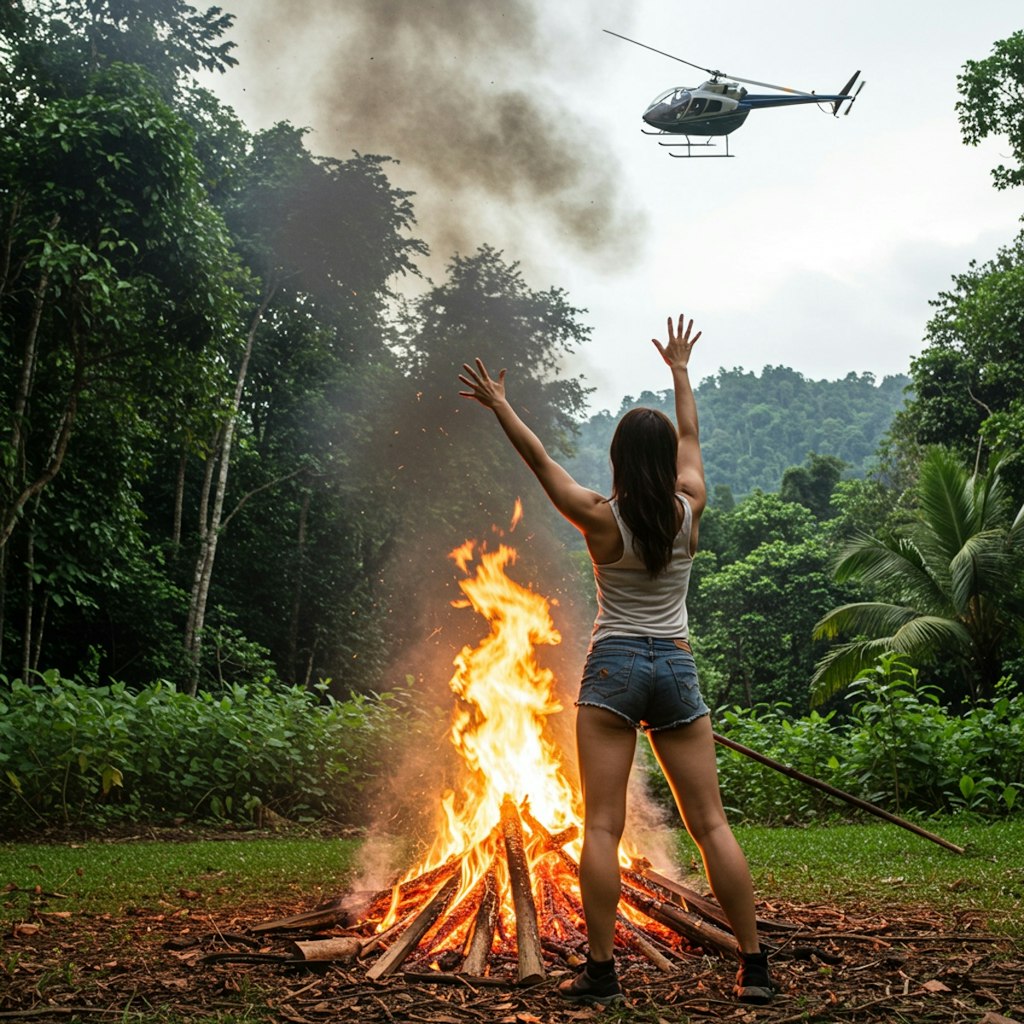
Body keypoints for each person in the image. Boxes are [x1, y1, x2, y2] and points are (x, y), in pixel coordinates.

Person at [458, 314, 773, 1007]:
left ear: (619, 461)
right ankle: (755, 967)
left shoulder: (601, 517)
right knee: (712, 824)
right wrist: (681, 370)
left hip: (615, 667)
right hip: (676, 670)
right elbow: (690, 437)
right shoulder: (690, 510)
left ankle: (600, 974)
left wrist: (502, 405)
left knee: (602, 826)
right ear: (666, 466)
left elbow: (541, 462)